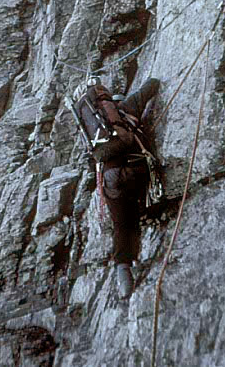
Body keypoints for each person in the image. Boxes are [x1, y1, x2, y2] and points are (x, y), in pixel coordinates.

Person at [73, 77, 160, 299]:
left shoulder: (95, 131)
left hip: (111, 179)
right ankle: (146, 227)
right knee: (137, 210)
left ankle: (124, 272)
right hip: (136, 169)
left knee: (122, 224)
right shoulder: (125, 111)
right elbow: (152, 85)